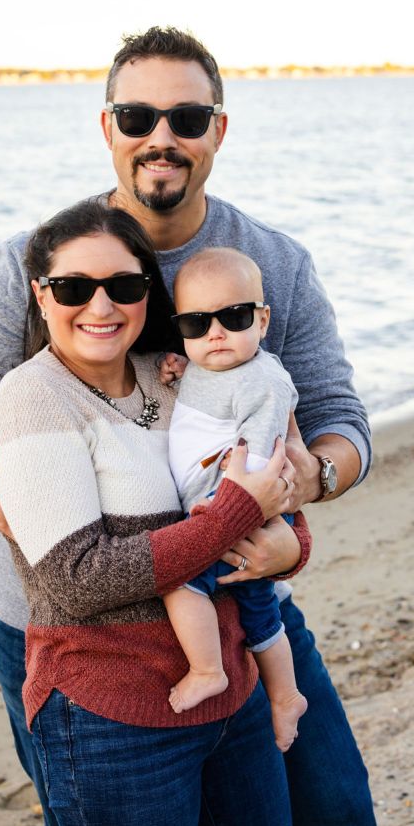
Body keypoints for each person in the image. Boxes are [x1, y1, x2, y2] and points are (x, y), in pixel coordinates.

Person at [0, 26, 376, 826]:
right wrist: (0, 496)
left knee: (333, 806)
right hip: (62, 626)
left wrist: (297, 507)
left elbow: (340, 419)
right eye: (136, 117)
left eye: (185, 117)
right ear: (107, 128)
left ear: (218, 129)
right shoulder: (37, 262)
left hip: (239, 593)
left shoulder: (273, 262)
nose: (159, 138)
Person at [0, 199, 309, 826]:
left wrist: (291, 544)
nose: (101, 307)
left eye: (124, 286)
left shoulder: (173, 374)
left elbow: (261, 482)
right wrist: (232, 518)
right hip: (115, 722)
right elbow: (77, 581)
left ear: (147, 296)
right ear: (41, 296)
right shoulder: (32, 400)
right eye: (75, 287)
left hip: (234, 698)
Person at [162, 247, 308, 754]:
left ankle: (208, 670)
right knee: (261, 612)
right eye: (197, 323)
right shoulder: (210, 363)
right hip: (230, 513)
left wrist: (221, 512)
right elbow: (206, 397)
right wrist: (180, 371)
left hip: (235, 511)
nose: (216, 333)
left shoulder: (264, 382)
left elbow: (260, 458)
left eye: (235, 316)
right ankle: (286, 696)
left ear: (262, 320)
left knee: (180, 582)